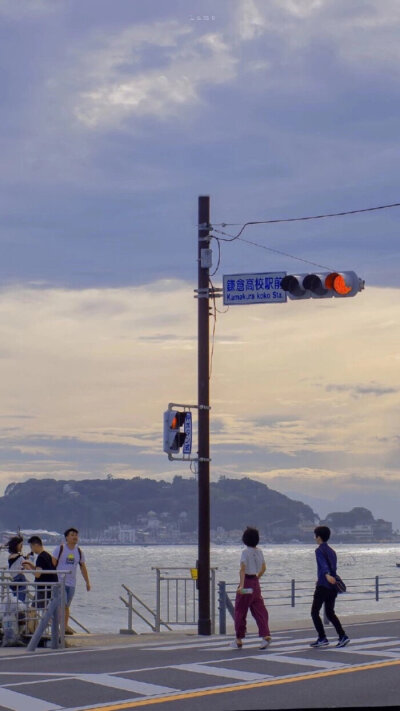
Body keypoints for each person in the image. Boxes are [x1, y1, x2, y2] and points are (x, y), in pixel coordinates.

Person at [310, 525, 350, 648]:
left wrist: (326, 575)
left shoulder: (319, 550)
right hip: (333, 587)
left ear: (319, 537)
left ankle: (322, 637)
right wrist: (329, 575)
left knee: (314, 612)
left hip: (323, 585)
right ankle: (342, 636)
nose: (314, 538)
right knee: (330, 612)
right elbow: (333, 567)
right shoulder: (332, 551)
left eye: (315, 535)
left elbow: (323, 566)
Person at [232, 526, 271, 649]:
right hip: (255, 583)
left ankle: (238, 638)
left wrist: (242, 585)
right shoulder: (259, 551)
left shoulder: (245, 552)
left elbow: (242, 569)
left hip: (246, 584)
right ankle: (265, 635)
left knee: (240, 610)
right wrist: (257, 578)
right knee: (259, 609)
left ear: (245, 539)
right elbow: (264, 568)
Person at [52, 527, 91, 634]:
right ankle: (62, 627)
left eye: (76, 535)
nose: (75, 537)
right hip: (60, 582)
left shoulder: (79, 551)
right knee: (62, 604)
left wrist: (87, 582)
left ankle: (64, 626)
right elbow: (52, 564)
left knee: (67, 606)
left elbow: (83, 567)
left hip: (72, 583)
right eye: (72, 535)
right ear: (67, 537)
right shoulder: (60, 549)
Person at [23, 536, 58, 608]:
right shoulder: (47, 555)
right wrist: (31, 565)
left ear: (36, 545)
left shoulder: (40, 557)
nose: (31, 550)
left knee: (33, 610)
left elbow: (38, 574)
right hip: (50, 588)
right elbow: (42, 569)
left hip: (43, 589)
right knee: (43, 610)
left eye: (31, 547)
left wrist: (29, 568)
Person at [7, 535, 27, 602]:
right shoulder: (20, 557)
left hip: (14, 580)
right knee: (21, 602)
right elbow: (25, 565)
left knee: (13, 601)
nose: (22, 546)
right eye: (21, 545)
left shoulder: (11, 556)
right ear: (17, 545)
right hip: (21, 579)